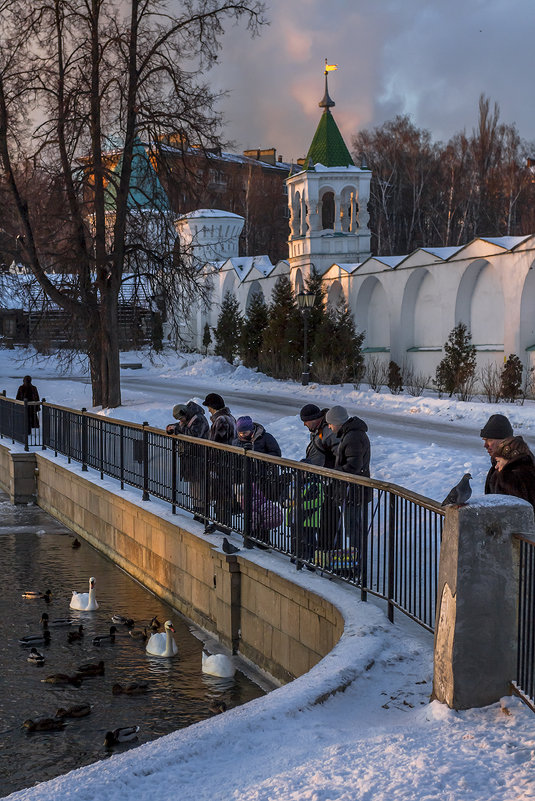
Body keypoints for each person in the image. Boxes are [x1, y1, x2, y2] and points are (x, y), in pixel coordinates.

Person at [326, 405, 371, 553]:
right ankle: (355, 561)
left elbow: (353, 466)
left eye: (330, 424)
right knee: (353, 528)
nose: (329, 427)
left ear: (337, 423)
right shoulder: (350, 434)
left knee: (354, 529)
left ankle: (357, 564)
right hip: (353, 490)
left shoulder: (353, 437)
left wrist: (335, 473)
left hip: (354, 490)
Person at [166, 401, 209, 521]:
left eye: (182, 419)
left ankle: (201, 514)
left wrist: (176, 429)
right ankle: (197, 511)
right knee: (194, 485)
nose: (182, 421)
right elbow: (179, 426)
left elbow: (193, 435)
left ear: (185, 413)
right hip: (191, 457)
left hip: (199, 456)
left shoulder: (198, 419)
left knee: (199, 485)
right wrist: (171, 427)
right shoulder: (189, 418)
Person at [203, 393, 237, 532]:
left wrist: (212, 462)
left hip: (222, 465)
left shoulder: (221, 420)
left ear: (213, 407)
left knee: (221, 495)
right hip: (229, 463)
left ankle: (223, 524)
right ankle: (222, 523)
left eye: (209, 407)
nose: (208, 410)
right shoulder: (230, 417)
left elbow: (218, 444)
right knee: (224, 495)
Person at [492, 436, 535, 510]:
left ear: (510, 460)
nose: (496, 466)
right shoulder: (529, 472)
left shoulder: (510, 479)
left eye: (498, 461)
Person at [480, 414, 514, 494]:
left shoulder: (516, 468)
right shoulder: (500, 462)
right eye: (485, 440)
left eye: (490, 440)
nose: (485, 445)